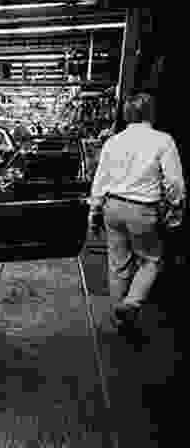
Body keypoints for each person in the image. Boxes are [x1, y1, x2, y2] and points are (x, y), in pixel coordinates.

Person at [89, 92, 185, 338]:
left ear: (126, 114)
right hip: (143, 210)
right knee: (151, 260)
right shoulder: (163, 140)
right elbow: (174, 183)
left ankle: (120, 320)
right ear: (152, 112)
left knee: (118, 264)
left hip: (112, 207)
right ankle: (131, 303)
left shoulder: (113, 141)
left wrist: (94, 211)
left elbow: (100, 180)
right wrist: (175, 208)